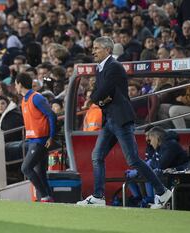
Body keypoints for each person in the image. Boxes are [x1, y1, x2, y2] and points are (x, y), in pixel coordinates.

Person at [77, 36, 172, 209]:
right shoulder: (100, 69)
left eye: (97, 48)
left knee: (133, 160)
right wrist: (99, 100)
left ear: (107, 50)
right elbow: (105, 93)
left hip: (121, 119)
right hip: (110, 120)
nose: (93, 51)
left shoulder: (114, 66)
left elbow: (105, 90)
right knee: (97, 156)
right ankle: (98, 196)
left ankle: (162, 191)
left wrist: (91, 100)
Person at [15, 72, 56, 202]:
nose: (15, 87)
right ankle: (49, 198)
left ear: (19, 84)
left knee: (26, 168)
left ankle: (44, 195)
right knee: (41, 173)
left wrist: (51, 137)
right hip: (33, 139)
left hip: (41, 140)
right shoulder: (24, 100)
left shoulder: (36, 97)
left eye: (15, 84)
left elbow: (52, 115)